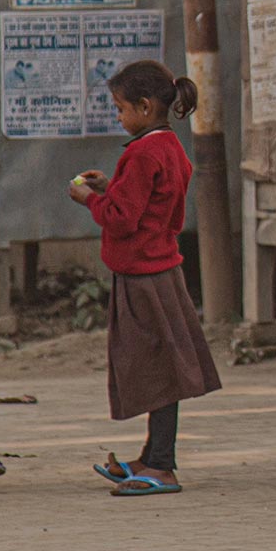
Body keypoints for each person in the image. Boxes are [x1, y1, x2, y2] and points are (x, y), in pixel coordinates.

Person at [74, 60, 222, 497]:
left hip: (144, 275)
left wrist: (88, 199)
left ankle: (162, 465)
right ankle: (152, 455)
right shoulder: (169, 146)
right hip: (161, 269)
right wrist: (108, 188)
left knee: (157, 370)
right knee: (159, 367)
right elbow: (150, 204)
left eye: (120, 109)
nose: (118, 117)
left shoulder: (141, 153)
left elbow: (122, 220)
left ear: (143, 106)